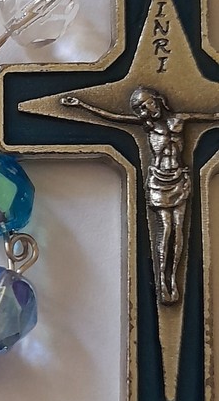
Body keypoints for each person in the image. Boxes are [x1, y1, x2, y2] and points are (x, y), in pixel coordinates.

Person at [61, 87, 219, 304]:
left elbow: (211, 117)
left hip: (179, 178)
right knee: (166, 229)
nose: (146, 110)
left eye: (147, 103)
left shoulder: (180, 119)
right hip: (159, 180)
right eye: (140, 108)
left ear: (158, 100)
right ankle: (161, 279)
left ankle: (172, 278)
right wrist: (82, 105)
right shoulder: (147, 126)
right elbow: (113, 116)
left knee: (179, 229)